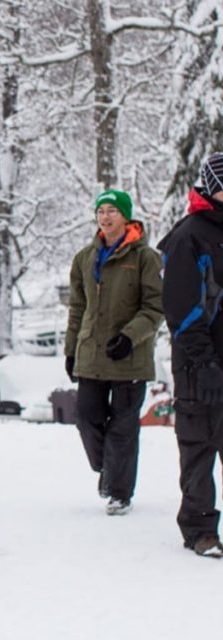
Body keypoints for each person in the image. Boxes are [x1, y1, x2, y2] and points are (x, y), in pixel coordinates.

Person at [64, 189, 163, 517]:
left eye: (112, 211)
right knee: (86, 418)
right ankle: (108, 469)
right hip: (92, 355)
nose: (105, 218)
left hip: (129, 356)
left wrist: (130, 336)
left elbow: (155, 306)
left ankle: (119, 492)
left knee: (123, 427)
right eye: (101, 211)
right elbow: (77, 308)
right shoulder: (84, 258)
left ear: (126, 216)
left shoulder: (145, 258)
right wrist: (70, 350)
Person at [158, 152, 223, 557]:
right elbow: (181, 308)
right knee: (200, 445)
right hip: (200, 360)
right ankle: (199, 528)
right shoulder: (190, 235)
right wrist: (204, 361)